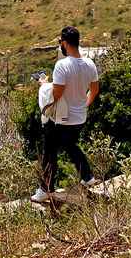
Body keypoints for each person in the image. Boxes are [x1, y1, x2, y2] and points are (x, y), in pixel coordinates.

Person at [31, 26, 99, 203]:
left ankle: (46, 188)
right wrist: (83, 105)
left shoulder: (62, 65)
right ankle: (87, 176)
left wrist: (44, 85)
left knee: (49, 153)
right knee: (70, 145)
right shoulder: (90, 64)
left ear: (66, 43)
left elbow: (58, 93)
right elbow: (94, 90)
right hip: (79, 118)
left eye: (60, 42)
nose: (60, 44)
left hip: (61, 119)